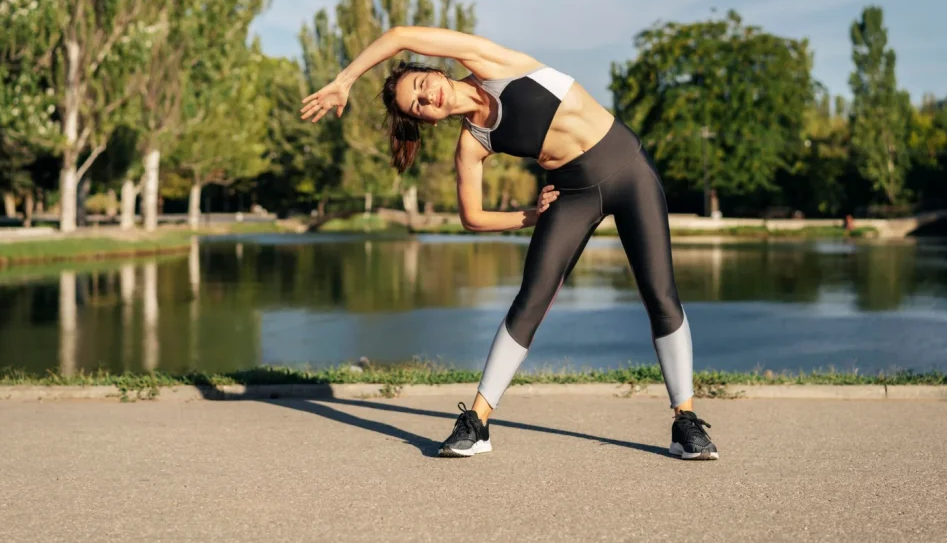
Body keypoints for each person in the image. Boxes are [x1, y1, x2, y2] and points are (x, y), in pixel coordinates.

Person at [300, 26, 719, 461]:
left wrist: (345, 79)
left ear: (437, 71)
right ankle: (477, 423)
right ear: (424, 119)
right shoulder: (472, 144)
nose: (427, 99)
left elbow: (401, 34)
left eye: (423, 86)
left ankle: (684, 421)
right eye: (418, 106)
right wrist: (531, 216)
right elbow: (472, 217)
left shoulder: (492, 64)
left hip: (628, 170)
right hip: (571, 194)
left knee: (660, 294)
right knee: (530, 301)